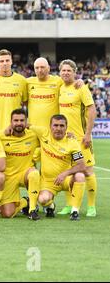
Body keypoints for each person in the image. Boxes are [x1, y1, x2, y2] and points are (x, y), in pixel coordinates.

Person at [57, 59, 97, 217]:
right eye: (63, 70)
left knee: (87, 170)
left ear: (74, 72)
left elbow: (92, 111)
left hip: (81, 138)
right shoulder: (60, 87)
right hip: (66, 139)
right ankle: (69, 204)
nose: (66, 73)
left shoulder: (81, 88)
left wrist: (87, 134)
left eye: (69, 70)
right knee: (68, 171)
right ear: (59, 72)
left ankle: (92, 206)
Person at [28, 115, 86, 221]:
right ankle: (51, 206)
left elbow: (82, 165)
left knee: (80, 176)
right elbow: (25, 125)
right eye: (55, 125)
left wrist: (65, 174)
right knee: (43, 200)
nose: (58, 128)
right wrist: (9, 127)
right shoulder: (43, 133)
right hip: (48, 182)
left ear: (66, 127)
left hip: (66, 179)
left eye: (61, 126)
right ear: (50, 126)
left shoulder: (72, 142)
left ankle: (75, 211)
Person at [0, 108, 39, 219]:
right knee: (7, 214)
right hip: (8, 176)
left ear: (26, 122)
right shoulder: (0, 136)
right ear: (10, 122)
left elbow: (52, 136)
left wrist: (69, 135)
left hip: (25, 173)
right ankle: (25, 201)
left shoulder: (34, 135)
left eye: (21, 120)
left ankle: (33, 209)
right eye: (16, 120)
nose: (19, 123)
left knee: (34, 174)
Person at [0, 49, 27, 132]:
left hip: (15, 129)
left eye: (7, 60)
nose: (5, 63)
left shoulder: (22, 80)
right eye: (1, 61)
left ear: (11, 61)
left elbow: (25, 102)